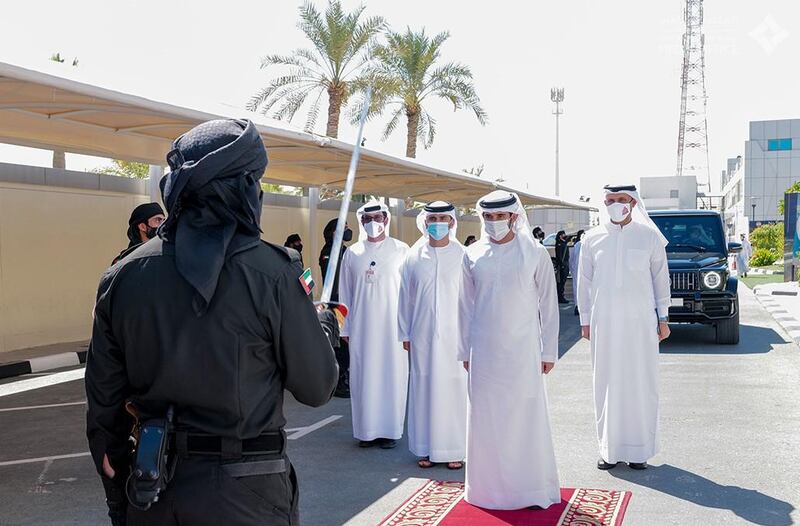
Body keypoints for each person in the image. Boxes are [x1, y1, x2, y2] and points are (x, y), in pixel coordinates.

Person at [85, 119, 338, 526]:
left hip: (153, 491)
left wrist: (122, 501)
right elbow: (317, 386)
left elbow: (104, 412)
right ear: (242, 188)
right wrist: (322, 323)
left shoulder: (122, 277)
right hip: (248, 493)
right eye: (255, 181)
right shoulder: (274, 273)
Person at [459, 190, 561, 510]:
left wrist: (549, 352)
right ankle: (487, 491)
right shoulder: (472, 253)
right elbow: (464, 307)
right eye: (488, 217)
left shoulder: (534, 253)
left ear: (514, 217)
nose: (493, 222)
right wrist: (464, 351)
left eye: (500, 216)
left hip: (523, 350)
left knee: (523, 418)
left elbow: (549, 304)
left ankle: (528, 490)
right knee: (487, 419)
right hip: (484, 351)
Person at [577, 184, 671, 471]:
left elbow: (660, 279)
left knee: (640, 382)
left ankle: (639, 451)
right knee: (605, 383)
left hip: (640, 323)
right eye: (609, 200)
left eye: (620, 200)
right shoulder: (592, 238)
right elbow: (584, 281)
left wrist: (663, 318)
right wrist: (584, 320)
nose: (614, 204)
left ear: (632, 202)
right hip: (603, 322)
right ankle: (609, 450)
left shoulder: (650, 237)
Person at [398, 201, 470, 470]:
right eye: (433, 218)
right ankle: (426, 449)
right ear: (425, 222)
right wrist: (405, 332)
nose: (438, 223)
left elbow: (471, 299)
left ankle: (454, 449)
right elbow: (405, 299)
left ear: (452, 222)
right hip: (422, 335)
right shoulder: (414, 256)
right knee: (424, 389)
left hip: (456, 336)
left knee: (453, 388)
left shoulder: (463, 255)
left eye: (443, 218)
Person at [339, 201, 409, 449]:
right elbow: (344, 293)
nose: (373, 223)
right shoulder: (353, 253)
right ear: (361, 221)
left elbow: (408, 292)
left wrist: (408, 327)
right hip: (361, 328)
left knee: (392, 377)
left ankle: (390, 431)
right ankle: (366, 432)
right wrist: (344, 328)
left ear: (387, 219)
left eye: (377, 217)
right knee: (364, 377)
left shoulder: (401, 250)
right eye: (367, 218)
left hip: (393, 329)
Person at [319, 218, 354, 398]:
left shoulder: (344, 251)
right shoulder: (329, 252)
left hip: (344, 304)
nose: (348, 231)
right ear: (334, 232)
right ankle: (339, 383)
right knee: (340, 345)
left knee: (346, 345)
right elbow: (333, 282)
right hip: (336, 306)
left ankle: (344, 378)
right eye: (344, 228)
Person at [570, 230, 585, 315]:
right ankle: (578, 306)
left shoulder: (579, 245)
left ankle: (579, 306)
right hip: (578, 270)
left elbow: (571, 260)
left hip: (578, 269)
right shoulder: (578, 245)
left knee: (578, 288)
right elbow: (572, 260)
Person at [554, 230, 570, 304]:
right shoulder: (559, 244)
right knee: (560, 282)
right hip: (562, 265)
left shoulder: (563, 243)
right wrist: (562, 265)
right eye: (563, 234)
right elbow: (560, 256)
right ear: (560, 236)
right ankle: (560, 297)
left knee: (563, 281)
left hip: (565, 264)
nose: (565, 235)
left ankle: (561, 296)